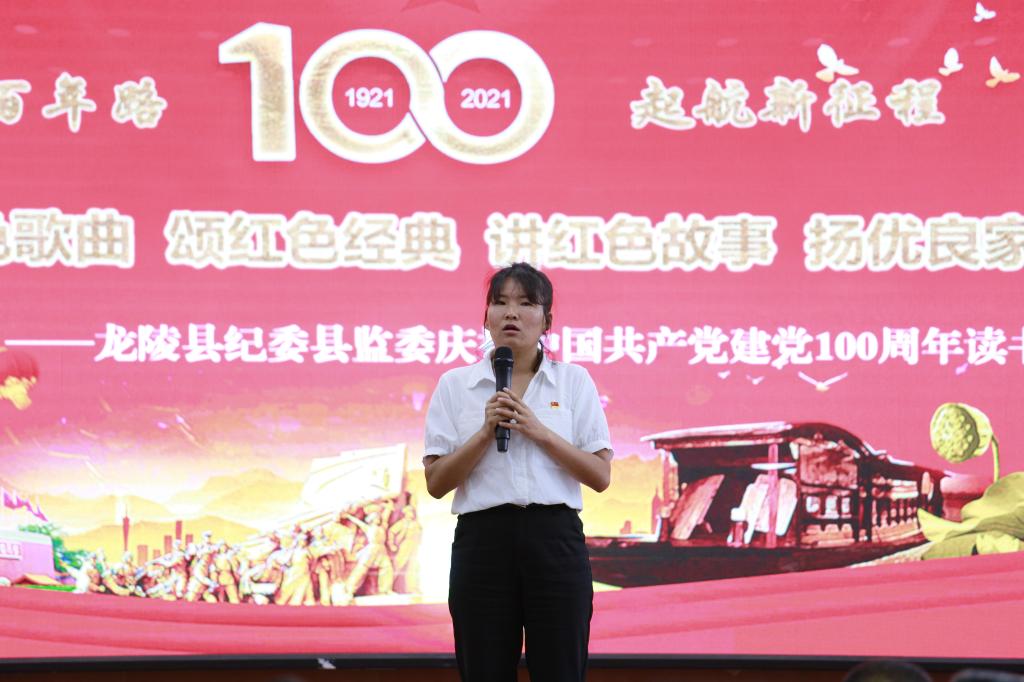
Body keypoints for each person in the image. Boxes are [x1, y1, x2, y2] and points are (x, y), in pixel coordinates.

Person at [423, 262, 613, 682]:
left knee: (560, 671)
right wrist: (484, 433)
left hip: (554, 540)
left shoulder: (573, 381)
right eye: (500, 302)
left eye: (526, 303)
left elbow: (600, 475)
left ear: (547, 320)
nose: (511, 312)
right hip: (483, 544)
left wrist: (539, 431)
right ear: (486, 317)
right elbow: (436, 483)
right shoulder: (455, 385)